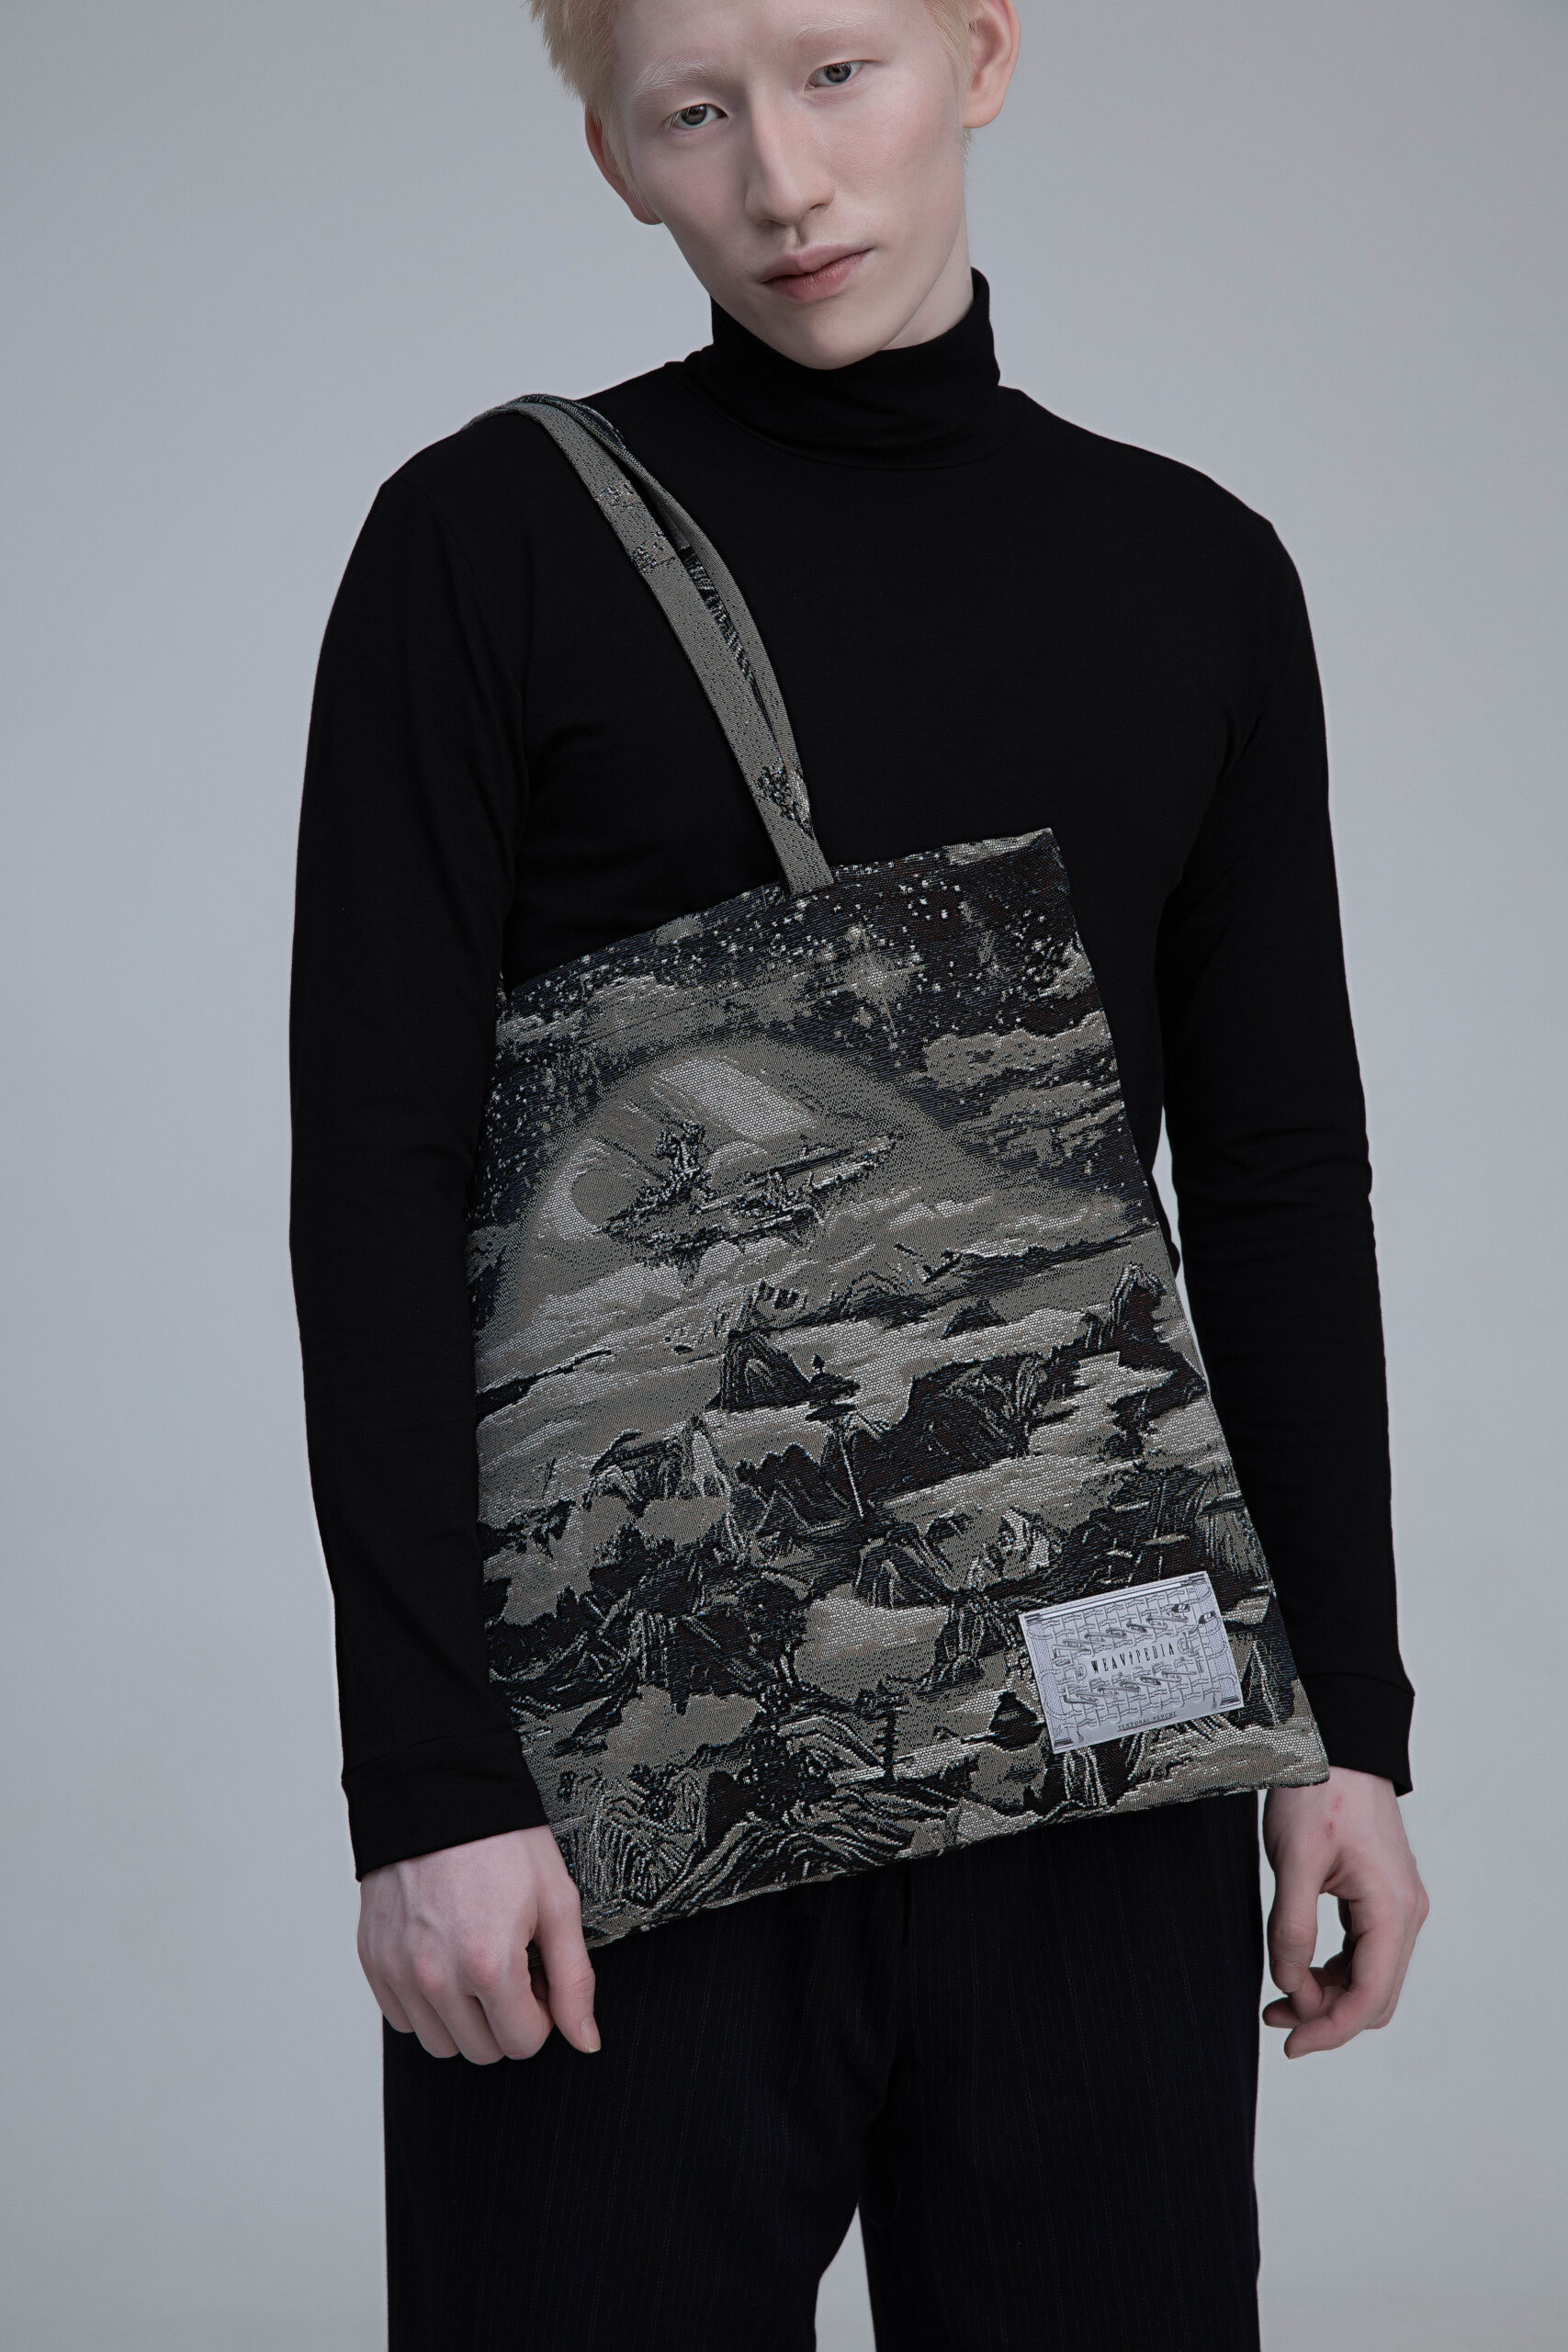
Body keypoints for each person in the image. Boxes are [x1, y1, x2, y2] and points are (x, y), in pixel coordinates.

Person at [288, 1, 1430, 2343]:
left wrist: (1345, 1721)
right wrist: (426, 1781)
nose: (780, 177)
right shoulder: (488, 542)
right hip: (627, 1778)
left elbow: (1277, 1177)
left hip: (1105, 1741)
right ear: (615, 157)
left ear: (979, 52)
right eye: (691, 112)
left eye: (836, 72)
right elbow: (375, 1171)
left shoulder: (1195, 570)